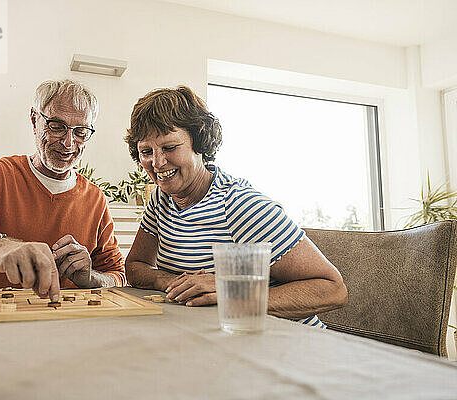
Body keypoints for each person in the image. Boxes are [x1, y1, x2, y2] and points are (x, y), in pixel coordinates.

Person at [123, 85, 347, 327]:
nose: (156, 162)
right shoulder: (160, 200)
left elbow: (333, 290)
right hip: (219, 339)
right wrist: (171, 282)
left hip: (288, 345)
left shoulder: (240, 205)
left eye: (169, 147)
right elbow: (135, 267)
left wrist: (231, 294)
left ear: (199, 143)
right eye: (146, 151)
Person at [0, 79, 126, 301]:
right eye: (56, 127)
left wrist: (91, 278)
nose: (68, 143)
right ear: (34, 120)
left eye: (80, 132)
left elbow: (117, 275)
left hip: (65, 323)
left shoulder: (95, 199)